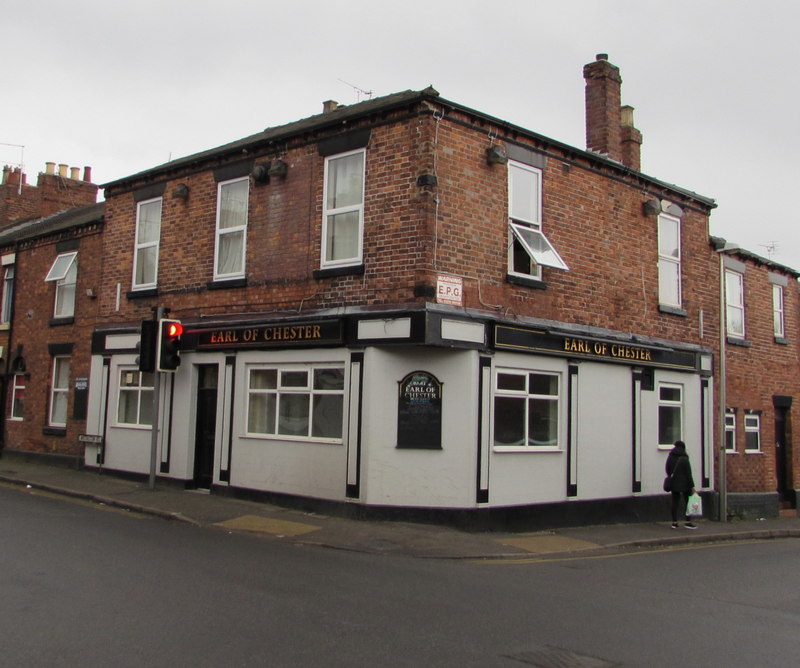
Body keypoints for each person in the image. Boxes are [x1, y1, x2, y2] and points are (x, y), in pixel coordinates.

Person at [665, 440, 698, 529]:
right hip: (685, 484)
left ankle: (674, 522)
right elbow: (688, 473)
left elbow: (667, 468)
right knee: (688, 502)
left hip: (674, 483)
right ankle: (687, 521)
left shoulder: (670, 456)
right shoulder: (684, 457)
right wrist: (692, 486)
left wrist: (671, 476)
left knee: (675, 502)